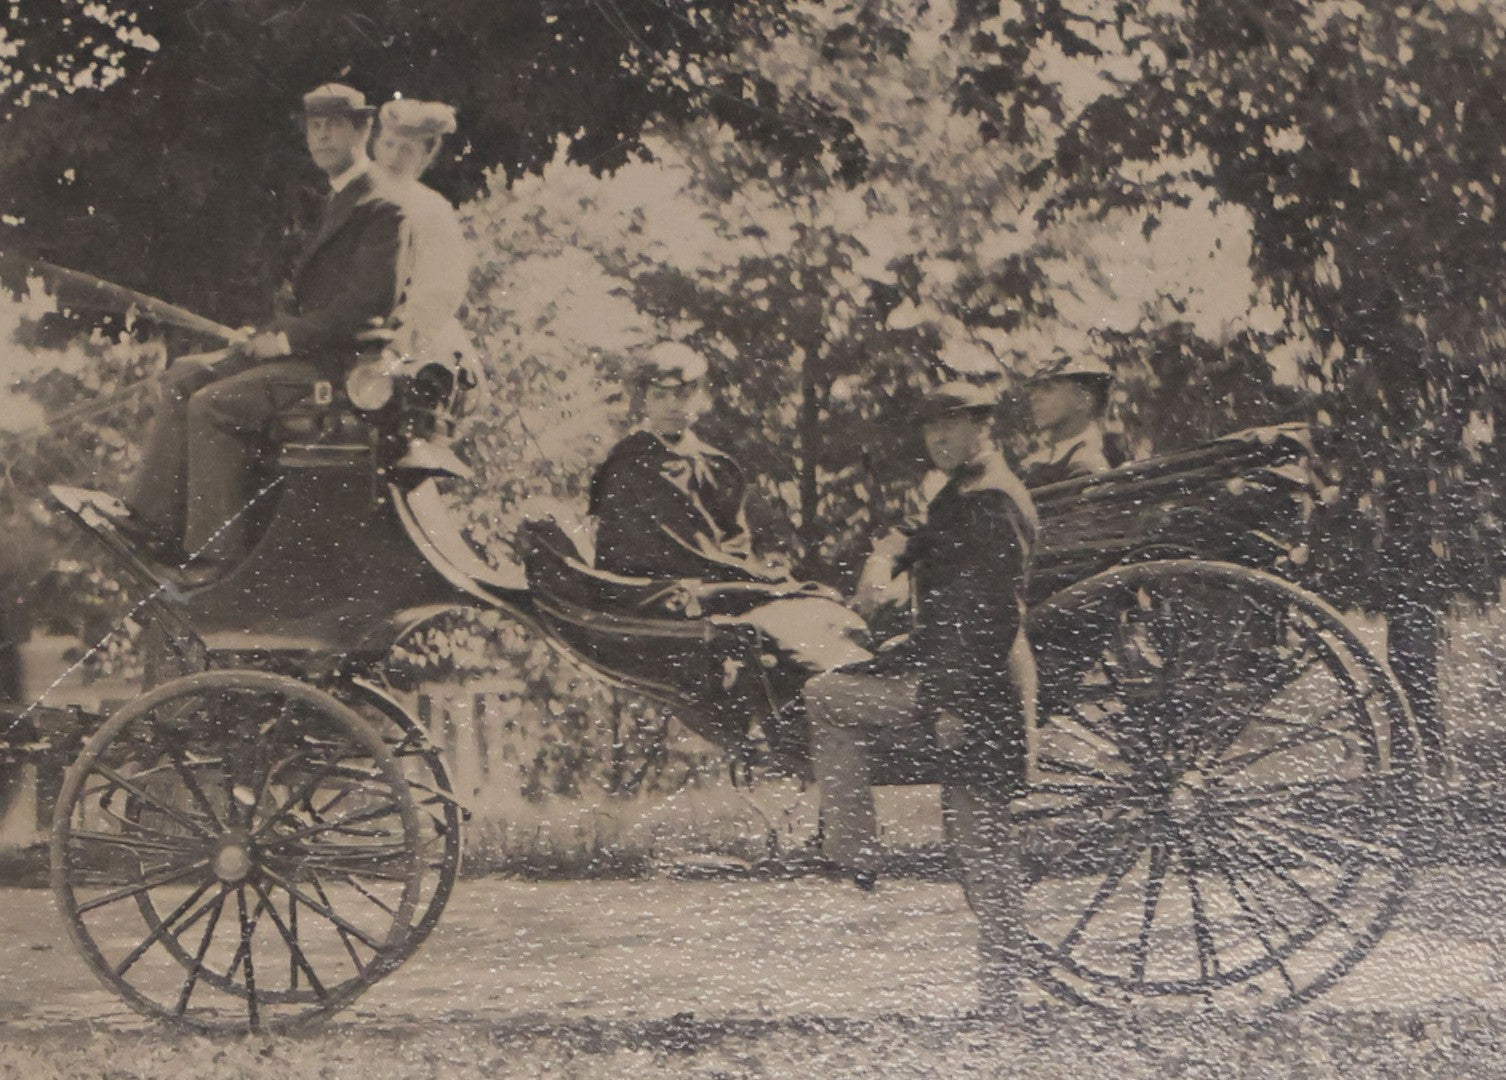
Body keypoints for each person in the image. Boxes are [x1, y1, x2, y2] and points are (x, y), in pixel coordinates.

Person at [101, 83, 407, 583]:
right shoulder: (335, 200)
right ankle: (152, 522)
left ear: (363, 129)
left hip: (335, 368)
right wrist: (263, 334)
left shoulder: (382, 207)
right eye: (314, 126)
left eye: (334, 125)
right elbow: (307, 302)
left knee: (213, 405)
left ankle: (214, 560)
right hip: (301, 353)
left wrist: (283, 342)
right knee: (184, 376)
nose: (321, 136)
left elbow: (366, 305)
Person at [804, 381, 1037, 1002]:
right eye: (931, 426)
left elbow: (992, 615)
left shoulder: (992, 500)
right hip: (958, 677)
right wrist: (885, 561)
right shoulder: (964, 491)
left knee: (981, 839)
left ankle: (853, 854)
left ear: (983, 426)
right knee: (974, 838)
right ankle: (1000, 989)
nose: (938, 437)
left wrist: (953, 702)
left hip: (979, 686)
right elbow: (920, 532)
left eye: (952, 424)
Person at [587, 341, 870, 671]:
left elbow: (735, 541)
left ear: (697, 397)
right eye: (660, 396)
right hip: (658, 594)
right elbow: (620, 555)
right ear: (644, 399)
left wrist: (737, 572)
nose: (672, 406)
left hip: (720, 584)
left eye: (682, 395)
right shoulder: (626, 466)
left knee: (809, 612)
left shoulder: (718, 466)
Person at [370, 98, 472, 375]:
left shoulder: (432, 209)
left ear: (425, 157)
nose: (393, 157)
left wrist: (400, 345)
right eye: (388, 144)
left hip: (409, 338)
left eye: (406, 150)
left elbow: (442, 287)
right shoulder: (353, 195)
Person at [1016, 357, 1117, 487]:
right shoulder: (1047, 456)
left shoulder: (1087, 461)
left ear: (1084, 398)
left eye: (1047, 387)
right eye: (1034, 389)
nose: (1034, 397)